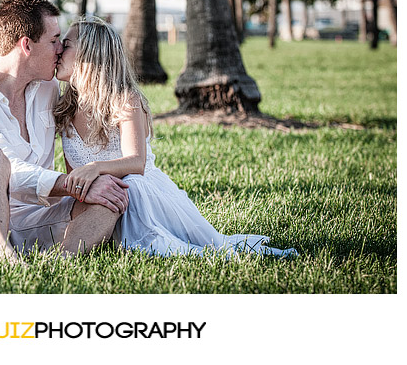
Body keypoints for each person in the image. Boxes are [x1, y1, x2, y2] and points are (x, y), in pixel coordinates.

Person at [53, 17, 298, 258]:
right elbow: (75, 178)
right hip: (100, 197)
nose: (59, 51)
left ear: (90, 54)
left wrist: (95, 168)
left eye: (67, 44)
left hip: (138, 191)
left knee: (136, 199)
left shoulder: (124, 100)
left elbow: (136, 162)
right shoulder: (64, 108)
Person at [0, 0, 129, 263]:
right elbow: (8, 172)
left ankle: (60, 262)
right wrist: (77, 184)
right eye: (54, 40)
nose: (60, 49)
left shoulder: (48, 89)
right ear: (27, 45)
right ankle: (1, 255)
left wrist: (99, 179)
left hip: (31, 213)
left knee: (108, 199)